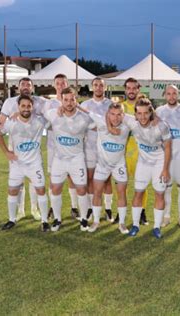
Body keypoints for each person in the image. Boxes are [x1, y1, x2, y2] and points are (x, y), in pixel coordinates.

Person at [117, 97, 171, 239]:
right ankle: (135, 225)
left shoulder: (161, 125)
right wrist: (110, 126)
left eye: (146, 113)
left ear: (151, 112)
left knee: (159, 194)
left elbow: (168, 148)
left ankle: (157, 227)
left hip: (159, 163)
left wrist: (165, 169)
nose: (142, 116)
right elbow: (111, 111)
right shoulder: (131, 121)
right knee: (138, 193)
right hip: (143, 163)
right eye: (139, 113)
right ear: (135, 114)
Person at [0, 95, 49, 231]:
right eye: (23, 106)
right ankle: (11, 220)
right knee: (13, 190)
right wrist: (7, 152)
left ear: (32, 107)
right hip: (17, 165)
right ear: (18, 107)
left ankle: (44, 221)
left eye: (28, 106)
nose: (26, 109)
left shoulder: (39, 121)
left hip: (34, 164)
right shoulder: (11, 122)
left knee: (41, 190)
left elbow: (53, 114)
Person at [44, 87, 94, 232]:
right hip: (59, 160)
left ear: (76, 100)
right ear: (61, 100)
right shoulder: (53, 114)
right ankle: (57, 219)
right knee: (55, 189)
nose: (69, 103)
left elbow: (100, 123)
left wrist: (84, 110)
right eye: (66, 100)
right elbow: (36, 118)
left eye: (72, 99)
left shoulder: (84, 118)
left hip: (77, 159)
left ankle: (84, 219)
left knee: (81, 189)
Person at [78, 103, 130, 234]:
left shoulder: (128, 123)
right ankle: (96, 221)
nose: (115, 118)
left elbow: (146, 116)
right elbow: (85, 110)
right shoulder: (100, 120)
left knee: (122, 193)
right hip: (102, 165)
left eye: (119, 114)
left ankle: (122, 223)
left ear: (123, 115)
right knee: (97, 192)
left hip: (119, 165)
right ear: (108, 114)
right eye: (112, 114)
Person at [155, 85, 180, 229]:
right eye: (169, 94)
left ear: (178, 94)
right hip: (166, 157)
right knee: (167, 189)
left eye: (174, 93)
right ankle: (167, 217)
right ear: (165, 95)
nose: (171, 96)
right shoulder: (159, 111)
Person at [80, 77, 114, 222]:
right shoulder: (85, 104)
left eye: (101, 85)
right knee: (90, 178)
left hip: (105, 147)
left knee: (106, 180)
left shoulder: (111, 104)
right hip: (89, 147)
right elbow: (81, 123)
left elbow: (114, 123)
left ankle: (108, 209)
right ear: (92, 87)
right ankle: (89, 208)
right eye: (96, 85)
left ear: (105, 88)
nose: (98, 87)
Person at [116, 77, 149, 225]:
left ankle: (142, 212)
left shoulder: (145, 107)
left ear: (138, 89)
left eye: (134, 88)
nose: (131, 90)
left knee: (141, 184)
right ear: (125, 89)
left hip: (140, 153)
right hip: (122, 153)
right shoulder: (119, 107)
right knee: (121, 185)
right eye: (128, 88)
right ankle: (120, 212)